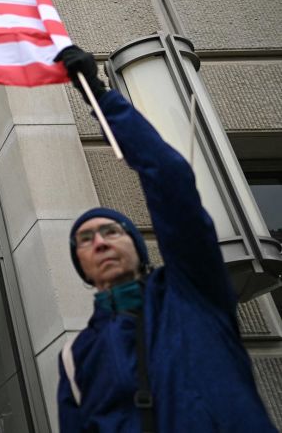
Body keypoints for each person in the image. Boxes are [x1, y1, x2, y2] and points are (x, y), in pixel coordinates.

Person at [55, 46, 274, 432]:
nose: (100, 243)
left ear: (138, 249)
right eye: (85, 240)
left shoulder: (192, 291)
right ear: (82, 268)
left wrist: (100, 96)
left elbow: (169, 175)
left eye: (111, 231)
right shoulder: (75, 358)